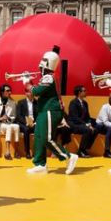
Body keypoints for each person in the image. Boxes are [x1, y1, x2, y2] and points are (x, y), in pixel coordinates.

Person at [27, 46, 77, 175]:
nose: (39, 69)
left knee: (47, 138)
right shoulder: (48, 77)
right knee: (38, 137)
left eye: (41, 67)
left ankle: (68, 156)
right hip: (44, 110)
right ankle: (40, 164)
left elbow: (36, 92)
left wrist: (27, 84)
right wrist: (30, 83)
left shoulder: (49, 77)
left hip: (50, 110)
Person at [61, 85, 97, 157]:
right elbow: (75, 117)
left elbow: (88, 116)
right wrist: (86, 125)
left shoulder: (85, 103)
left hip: (81, 124)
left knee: (95, 130)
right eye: (84, 91)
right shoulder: (73, 103)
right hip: (74, 124)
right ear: (79, 93)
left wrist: (89, 123)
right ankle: (80, 151)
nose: (86, 92)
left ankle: (85, 149)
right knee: (87, 130)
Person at [0, 84, 19, 159]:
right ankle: (7, 152)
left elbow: (14, 116)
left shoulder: (12, 103)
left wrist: (9, 118)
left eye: (10, 90)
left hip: (8, 123)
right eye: (7, 91)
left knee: (17, 126)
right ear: (2, 92)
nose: (10, 92)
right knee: (9, 127)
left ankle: (16, 151)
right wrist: (0, 118)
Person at [15, 83, 36, 159]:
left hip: (34, 123)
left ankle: (36, 151)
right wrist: (27, 122)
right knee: (26, 130)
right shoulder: (21, 102)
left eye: (31, 91)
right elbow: (18, 116)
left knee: (40, 129)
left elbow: (39, 115)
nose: (30, 93)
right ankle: (27, 151)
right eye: (28, 91)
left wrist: (34, 123)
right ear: (25, 93)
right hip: (23, 123)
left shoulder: (37, 102)